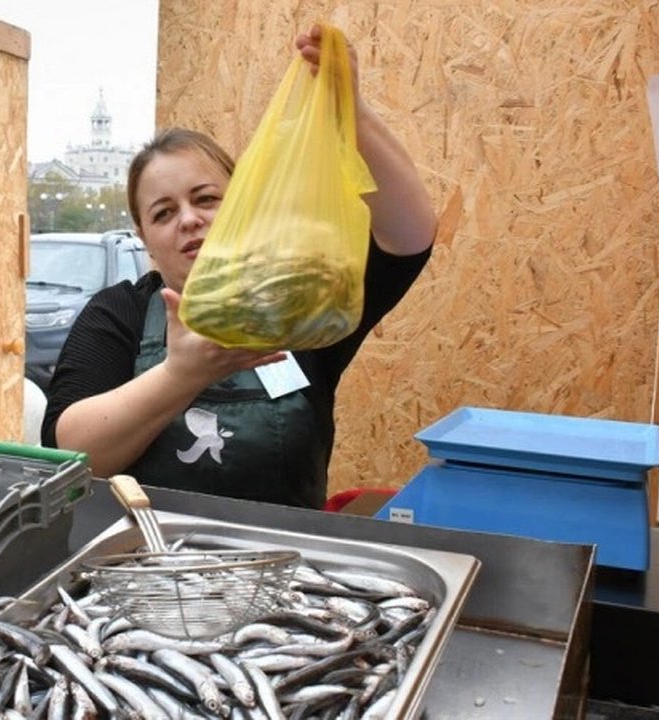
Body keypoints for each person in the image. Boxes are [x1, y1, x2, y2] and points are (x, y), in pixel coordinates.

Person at [41, 26, 437, 509]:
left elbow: (408, 236)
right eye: (163, 213)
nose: (189, 219)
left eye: (206, 199)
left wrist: (349, 111)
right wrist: (181, 375)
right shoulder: (118, 312)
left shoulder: (298, 302)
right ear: (144, 238)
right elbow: (71, 455)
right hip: (146, 571)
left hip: (288, 570)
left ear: (244, 205)